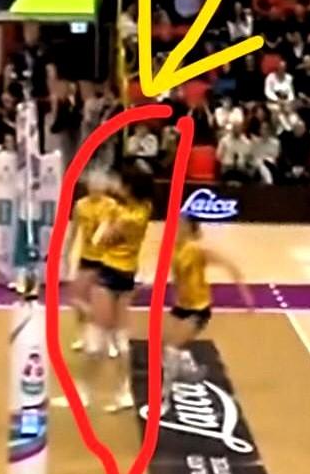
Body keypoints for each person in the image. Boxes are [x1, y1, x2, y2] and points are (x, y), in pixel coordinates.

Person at [162, 214, 253, 410]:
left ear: (189, 228)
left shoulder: (197, 250)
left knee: (171, 349)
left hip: (198, 308)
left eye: (179, 225)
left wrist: (246, 296)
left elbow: (230, 266)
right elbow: (177, 277)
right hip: (181, 306)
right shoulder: (175, 248)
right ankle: (188, 369)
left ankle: (165, 398)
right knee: (165, 345)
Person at [86, 168, 154, 413]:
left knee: (97, 337)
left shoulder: (124, 218)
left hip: (109, 273)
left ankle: (84, 392)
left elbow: (99, 240)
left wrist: (106, 217)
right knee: (120, 336)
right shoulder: (145, 209)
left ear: (130, 189)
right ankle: (124, 393)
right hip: (128, 275)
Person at [61, 170, 117, 360]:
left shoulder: (111, 206)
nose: (96, 190)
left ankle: (109, 340)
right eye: (93, 187)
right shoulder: (80, 206)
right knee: (78, 299)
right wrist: (67, 254)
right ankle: (83, 336)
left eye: (99, 187)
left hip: (106, 260)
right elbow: (74, 230)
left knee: (106, 304)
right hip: (86, 259)